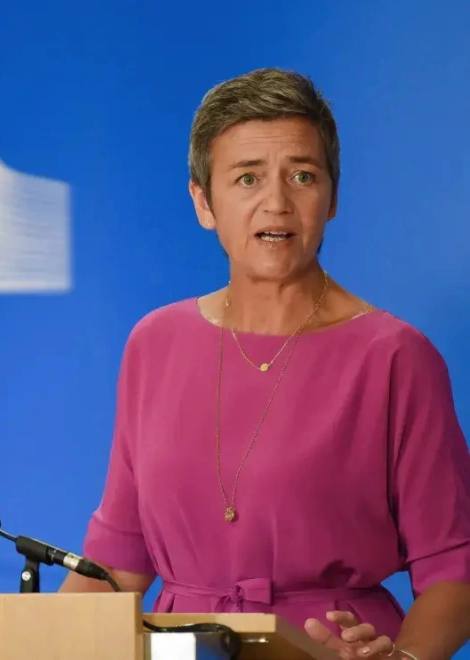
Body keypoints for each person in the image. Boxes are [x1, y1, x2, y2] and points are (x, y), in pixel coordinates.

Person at [59, 67, 470, 660]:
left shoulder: (395, 356)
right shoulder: (155, 343)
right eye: (247, 178)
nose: (276, 203)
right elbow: (117, 567)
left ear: (332, 198)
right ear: (204, 202)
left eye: (303, 176)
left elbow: (456, 571)